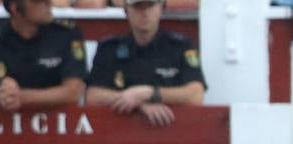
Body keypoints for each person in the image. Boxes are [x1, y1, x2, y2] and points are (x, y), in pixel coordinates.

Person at [86, 0, 205, 128]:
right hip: (121, 134)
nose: (145, 13)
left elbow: (196, 95)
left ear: (161, 7)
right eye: (138, 7)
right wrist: (139, 103)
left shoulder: (180, 47)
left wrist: (150, 93)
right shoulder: (109, 49)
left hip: (172, 133)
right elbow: (93, 96)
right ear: (126, 10)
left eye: (150, 6)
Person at [0, 0, 86, 110]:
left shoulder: (66, 34)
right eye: (38, 0)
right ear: (15, 8)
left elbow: (73, 91)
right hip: (1, 123)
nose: (48, 3)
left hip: (55, 123)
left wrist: (22, 97)